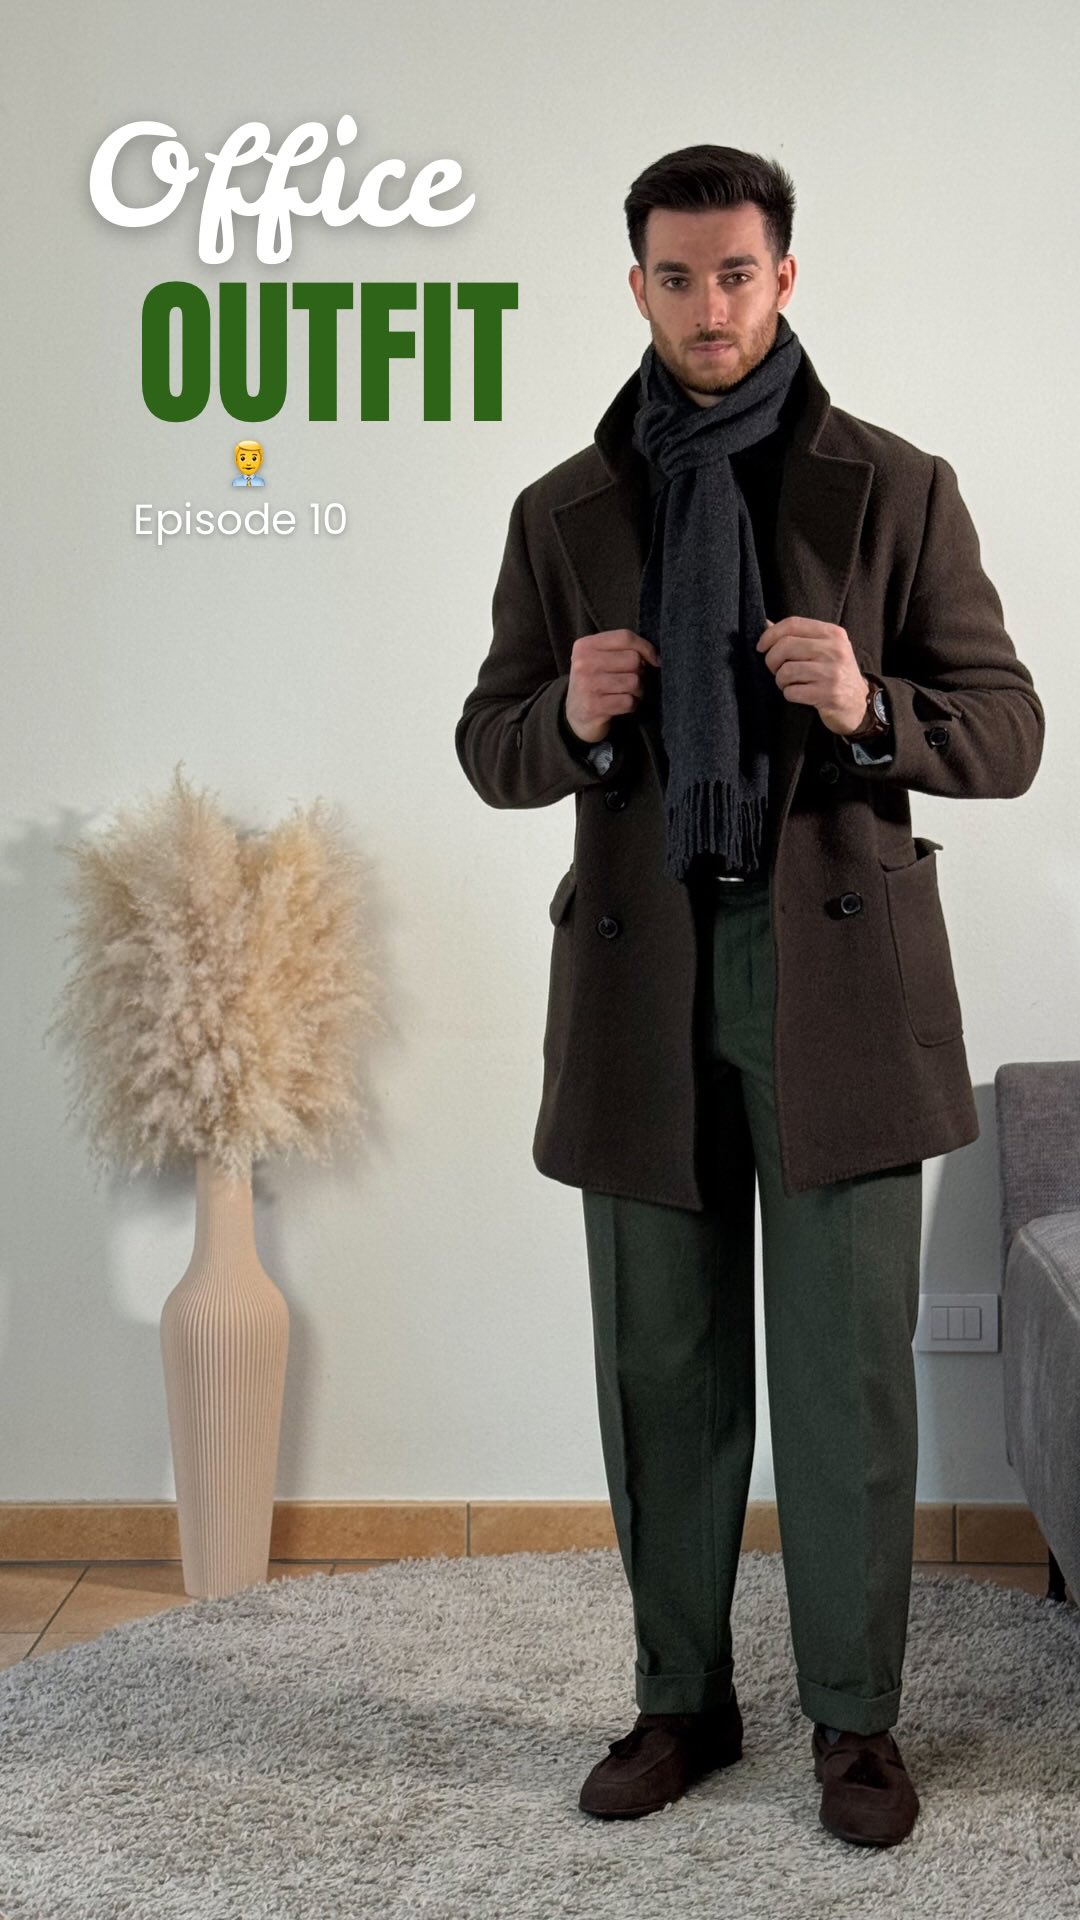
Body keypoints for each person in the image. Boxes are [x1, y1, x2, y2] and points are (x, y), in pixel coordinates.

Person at [454, 144, 1044, 1849]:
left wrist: (870, 706)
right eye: (676, 276)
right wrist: (566, 720)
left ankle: (856, 1723)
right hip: (640, 977)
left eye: (734, 274)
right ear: (634, 285)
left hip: (838, 974)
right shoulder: (563, 510)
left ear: (784, 277)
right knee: (661, 1361)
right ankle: (680, 1703)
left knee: (847, 1369)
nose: (707, 307)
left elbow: (1007, 729)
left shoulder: (896, 487)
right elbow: (490, 744)